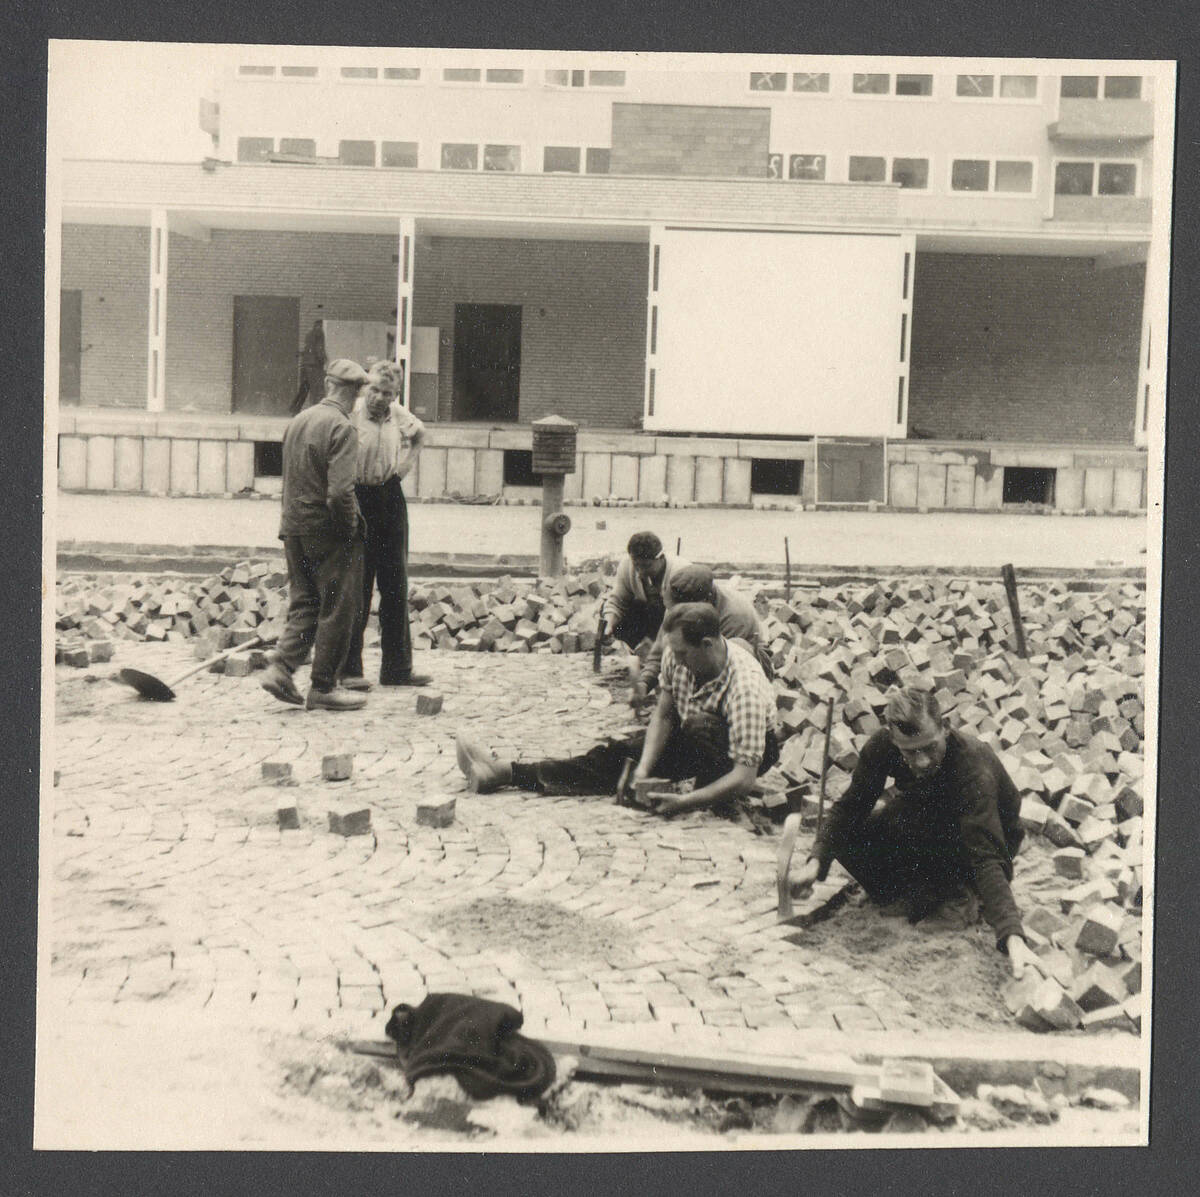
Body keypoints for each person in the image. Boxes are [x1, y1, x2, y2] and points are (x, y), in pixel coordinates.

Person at [787, 687, 1041, 979]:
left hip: (989, 837)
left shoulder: (972, 766)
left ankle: (962, 896)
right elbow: (849, 808)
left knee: (932, 824)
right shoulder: (882, 746)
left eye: (929, 747)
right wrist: (815, 863)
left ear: (945, 729)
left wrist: (1012, 935)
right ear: (894, 740)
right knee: (853, 834)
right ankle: (918, 893)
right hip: (929, 813)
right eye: (910, 751)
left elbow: (986, 856)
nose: (921, 761)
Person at [455, 602, 779, 815]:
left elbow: (744, 776)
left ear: (707, 645)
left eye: (682, 654)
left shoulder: (745, 688)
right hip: (696, 731)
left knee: (702, 742)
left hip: (746, 751)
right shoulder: (677, 653)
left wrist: (685, 802)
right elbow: (665, 715)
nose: (675, 661)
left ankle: (707, 786)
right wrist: (643, 768)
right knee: (616, 756)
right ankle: (507, 772)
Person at [261, 358, 369, 712]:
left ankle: (281, 668)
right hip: (326, 531)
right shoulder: (343, 427)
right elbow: (340, 492)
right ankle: (323, 687)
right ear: (354, 394)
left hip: (292, 526)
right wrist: (350, 527)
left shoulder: (299, 421)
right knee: (338, 608)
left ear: (326, 385)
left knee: (305, 602)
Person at [341, 360, 431, 689]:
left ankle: (397, 669)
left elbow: (420, 436)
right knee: (358, 586)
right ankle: (350, 670)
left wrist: (405, 467)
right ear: (366, 387)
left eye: (388, 393)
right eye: (375, 390)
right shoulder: (349, 413)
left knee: (395, 585)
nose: (380, 398)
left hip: (390, 498)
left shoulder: (398, 415)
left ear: (396, 395)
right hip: (358, 498)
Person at [631, 563, 772, 707]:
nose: (673, 612)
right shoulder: (677, 607)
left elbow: (718, 665)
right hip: (704, 659)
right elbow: (660, 650)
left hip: (745, 666)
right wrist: (644, 683)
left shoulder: (735, 615)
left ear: (701, 603)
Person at [602, 532, 691, 656]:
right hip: (649, 615)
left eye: (646, 566)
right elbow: (617, 601)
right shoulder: (627, 565)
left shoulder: (681, 571)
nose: (640, 572)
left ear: (661, 558)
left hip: (677, 620)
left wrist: (657, 645)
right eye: (636, 565)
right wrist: (608, 625)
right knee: (621, 622)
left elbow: (681, 618)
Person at [291, 319, 326, 415]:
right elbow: (319, 349)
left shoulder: (309, 334)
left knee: (304, 389)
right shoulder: (319, 333)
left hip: (305, 365)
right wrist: (323, 360)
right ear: (320, 325)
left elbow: (306, 348)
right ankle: (316, 412)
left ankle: (295, 408)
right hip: (314, 366)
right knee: (315, 390)